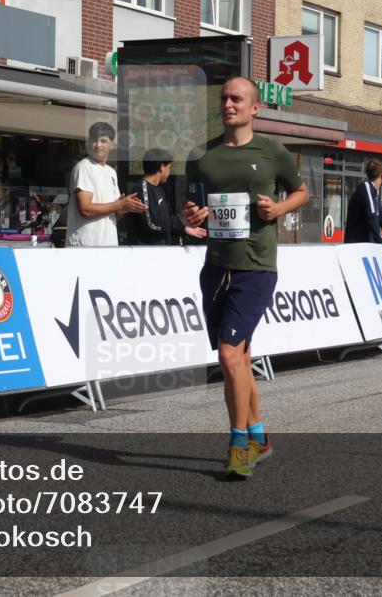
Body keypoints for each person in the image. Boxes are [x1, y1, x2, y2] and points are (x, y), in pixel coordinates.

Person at [183, 76, 309, 479]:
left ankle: (239, 446)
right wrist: (193, 215)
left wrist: (279, 209)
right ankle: (259, 435)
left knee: (227, 354)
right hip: (216, 266)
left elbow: (302, 192)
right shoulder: (202, 156)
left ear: (255, 107)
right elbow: (192, 205)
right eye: (223, 98)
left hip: (256, 266)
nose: (228, 104)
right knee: (240, 357)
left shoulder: (272, 151)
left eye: (236, 98)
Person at [65, 122, 146, 247]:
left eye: (103, 141)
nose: (98, 145)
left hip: (108, 246)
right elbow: (85, 209)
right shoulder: (84, 167)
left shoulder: (111, 172)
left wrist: (126, 207)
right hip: (85, 247)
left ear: (112, 144)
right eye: (94, 140)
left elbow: (115, 214)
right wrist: (119, 204)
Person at [123, 148, 207, 245]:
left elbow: (165, 222)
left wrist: (183, 228)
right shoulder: (142, 189)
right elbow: (151, 224)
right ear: (162, 167)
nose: (169, 172)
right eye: (169, 167)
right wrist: (179, 221)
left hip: (163, 251)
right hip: (147, 253)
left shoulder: (159, 189)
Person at [343, 159, 382, 249]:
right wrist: (380, 241)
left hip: (365, 244)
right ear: (381, 175)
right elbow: (372, 216)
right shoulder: (366, 188)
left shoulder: (374, 192)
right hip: (356, 245)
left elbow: (381, 217)